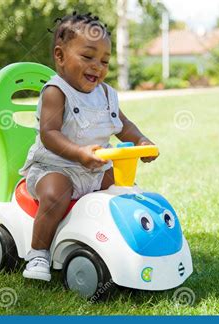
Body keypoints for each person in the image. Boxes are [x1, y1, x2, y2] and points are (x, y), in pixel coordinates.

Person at [19, 12, 158, 281]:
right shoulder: (55, 91)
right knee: (57, 192)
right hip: (55, 168)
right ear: (60, 56)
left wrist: (141, 140)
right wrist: (78, 153)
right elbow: (49, 133)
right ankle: (38, 253)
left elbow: (123, 124)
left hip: (94, 168)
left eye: (104, 61)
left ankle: (119, 245)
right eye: (88, 57)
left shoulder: (106, 94)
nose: (97, 66)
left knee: (123, 188)